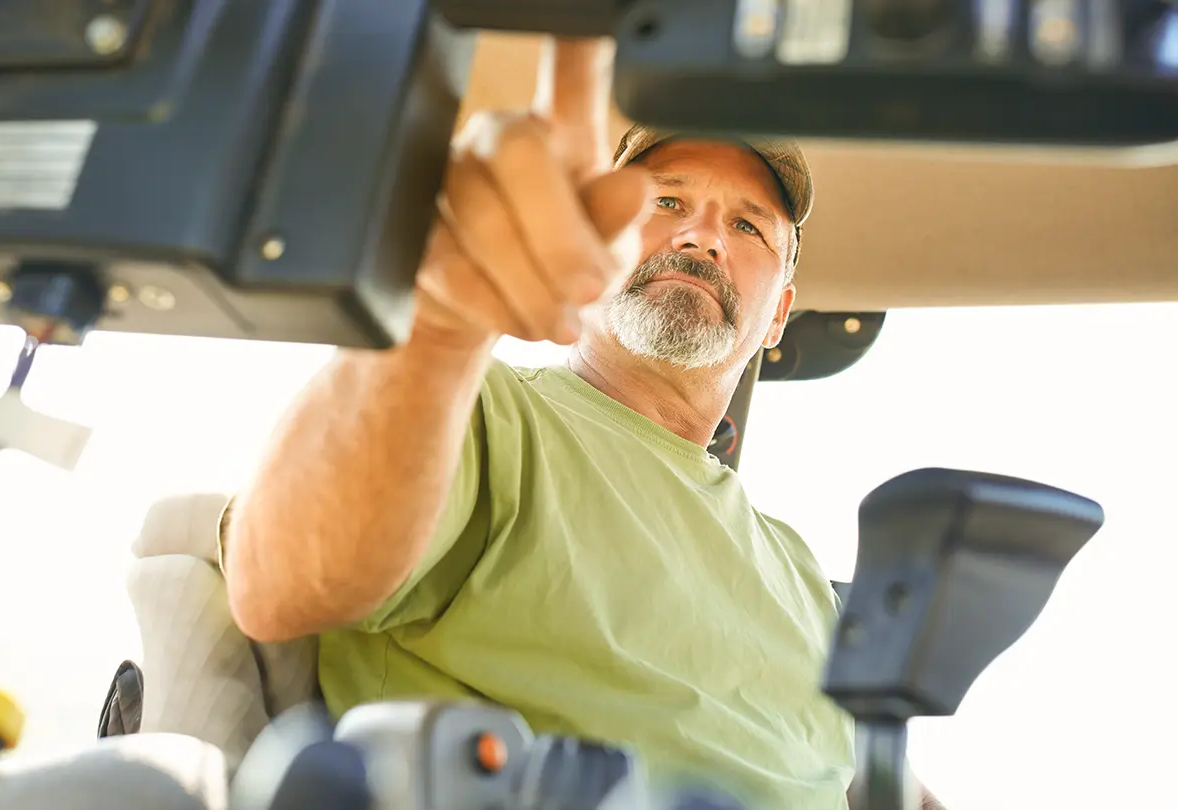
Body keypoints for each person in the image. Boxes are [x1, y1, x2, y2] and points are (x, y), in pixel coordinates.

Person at [220, 37, 946, 810]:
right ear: (596, 245)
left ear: (780, 318)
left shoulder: (801, 575)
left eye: (748, 226)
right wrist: (441, 315)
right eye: (665, 202)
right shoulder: (478, 412)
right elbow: (279, 585)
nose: (701, 237)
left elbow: (858, 774)